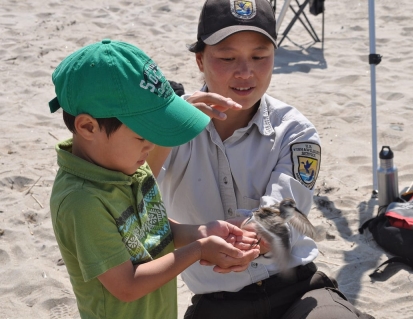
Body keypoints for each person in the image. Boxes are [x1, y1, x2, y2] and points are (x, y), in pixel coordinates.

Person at [148, 0, 375, 318]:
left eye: (259, 56)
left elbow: (285, 216)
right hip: (217, 302)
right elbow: (135, 204)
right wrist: (169, 131)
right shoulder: (165, 126)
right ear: (200, 59)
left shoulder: (295, 130)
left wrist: (242, 238)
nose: (245, 72)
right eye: (227, 57)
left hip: (298, 290)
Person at [48, 39, 260, 319]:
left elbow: (150, 229)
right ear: (88, 126)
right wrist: (198, 250)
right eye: (142, 136)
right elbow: (127, 286)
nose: (151, 147)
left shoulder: (127, 165)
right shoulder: (82, 201)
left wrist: (203, 232)